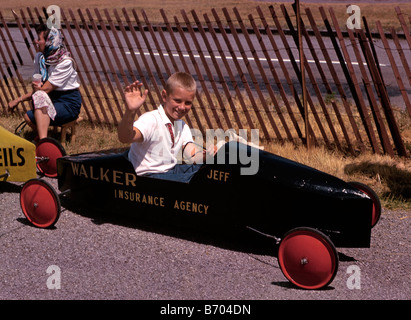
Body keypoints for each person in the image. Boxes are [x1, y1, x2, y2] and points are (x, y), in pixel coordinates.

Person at [118, 72, 216, 182]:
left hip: (171, 171)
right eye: (177, 101)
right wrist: (130, 111)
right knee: (196, 180)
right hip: (149, 176)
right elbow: (125, 137)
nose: (182, 107)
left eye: (188, 103)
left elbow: (192, 156)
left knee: (208, 170)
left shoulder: (182, 126)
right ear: (164, 96)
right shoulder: (151, 119)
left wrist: (207, 155)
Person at [8, 24, 82, 140]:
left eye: (39, 39)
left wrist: (32, 91)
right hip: (51, 98)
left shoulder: (65, 62)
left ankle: (44, 142)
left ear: (50, 42)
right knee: (28, 116)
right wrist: (18, 100)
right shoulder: (41, 58)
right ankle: (48, 138)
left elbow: (44, 90)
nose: (36, 41)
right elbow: (40, 89)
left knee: (40, 97)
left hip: (68, 102)